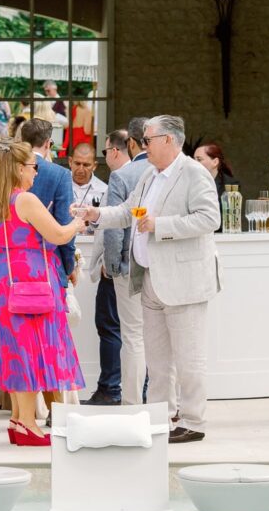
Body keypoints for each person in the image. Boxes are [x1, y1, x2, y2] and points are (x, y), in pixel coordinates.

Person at [89, 115, 219, 443]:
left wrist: (161, 225)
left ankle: (193, 421)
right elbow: (128, 211)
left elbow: (209, 218)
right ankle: (160, 416)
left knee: (189, 358)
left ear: (168, 140)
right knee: (157, 360)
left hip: (184, 281)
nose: (143, 146)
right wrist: (96, 216)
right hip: (150, 279)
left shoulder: (194, 173)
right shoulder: (150, 174)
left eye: (148, 140)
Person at [0, 139, 86, 445]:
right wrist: (77, 225)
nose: (36, 172)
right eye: (32, 167)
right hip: (32, 280)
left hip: (3, 278)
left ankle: (18, 419)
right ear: (17, 169)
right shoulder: (24, 200)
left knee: (13, 349)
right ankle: (28, 423)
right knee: (30, 349)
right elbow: (56, 232)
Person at [102, 125, 151, 404]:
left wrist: (111, 265)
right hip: (161, 264)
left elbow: (114, 226)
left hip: (128, 264)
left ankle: (132, 402)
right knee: (161, 338)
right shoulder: (170, 173)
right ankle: (164, 402)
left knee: (132, 336)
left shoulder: (122, 175)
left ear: (131, 143)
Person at [70, 141, 119, 406]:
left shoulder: (106, 189)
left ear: (95, 165)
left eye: (86, 165)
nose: (80, 169)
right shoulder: (60, 183)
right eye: (76, 163)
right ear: (69, 161)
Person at [17, 118, 77, 285]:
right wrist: (69, 266)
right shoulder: (60, 174)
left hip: (5, 264)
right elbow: (64, 223)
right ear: (47, 143)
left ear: (22, 141)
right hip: (46, 265)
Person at [194, 141, 238, 232]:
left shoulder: (229, 185)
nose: (194, 163)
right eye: (193, 160)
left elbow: (229, 218)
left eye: (199, 159)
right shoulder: (190, 182)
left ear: (215, 162)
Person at [32, 80, 68, 152]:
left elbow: (67, 120)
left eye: (48, 90)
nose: (47, 93)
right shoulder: (44, 101)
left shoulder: (64, 101)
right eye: (46, 91)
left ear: (55, 89)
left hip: (60, 131)